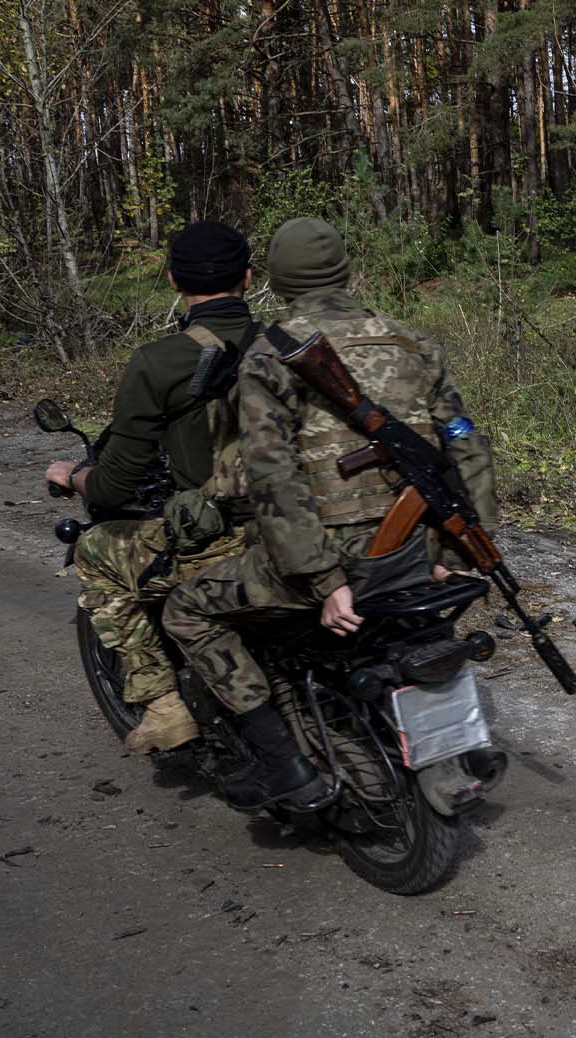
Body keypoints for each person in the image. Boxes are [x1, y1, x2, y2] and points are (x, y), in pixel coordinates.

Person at [161, 217, 497, 811]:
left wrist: (324, 579)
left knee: (186, 609)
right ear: (346, 271)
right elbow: (465, 442)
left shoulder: (272, 354)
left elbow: (273, 475)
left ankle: (283, 766)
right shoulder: (413, 342)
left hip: (338, 561)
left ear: (273, 280)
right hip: (416, 549)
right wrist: (457, 552)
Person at [46, 221, 257, 754]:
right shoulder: (291, 346)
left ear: (172, 282)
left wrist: (73, 476)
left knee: (95, 550)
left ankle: (163, 707)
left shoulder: (158, 361)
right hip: (292, 527)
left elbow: (115, 484)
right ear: (249, 279)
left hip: (223, 540)